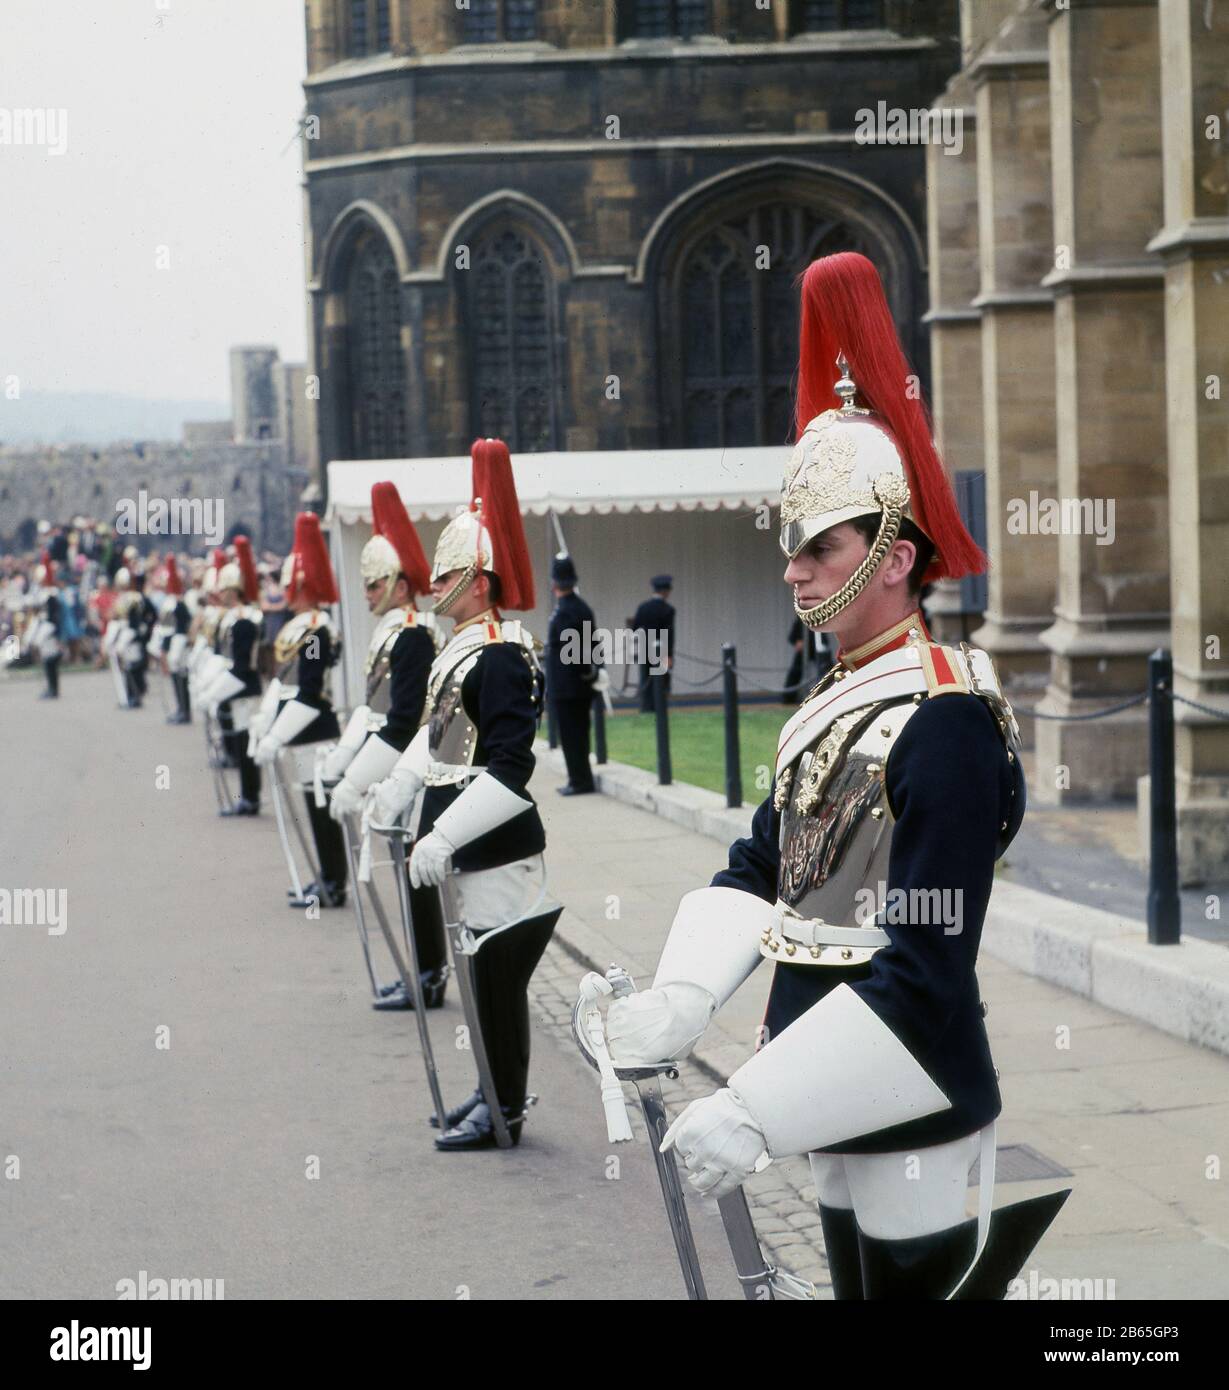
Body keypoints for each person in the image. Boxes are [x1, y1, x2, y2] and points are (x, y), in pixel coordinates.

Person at [595, 251, 1066, 1300]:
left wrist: (757, 1105)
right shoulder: (830, 697)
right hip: (823, 1084)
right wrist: (679, 999)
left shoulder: (942, 714)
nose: (792, 565)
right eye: (789, 543)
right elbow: (764, 864)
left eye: (818, 543)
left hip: (903, 1087)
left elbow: (922, 966)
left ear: (893, 554)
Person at [371, 438, 562, 1151]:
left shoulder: (503, 654)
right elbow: (439, 738)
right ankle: (487, 1089)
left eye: (449, 571)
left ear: (478, 580)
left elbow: (512, 766)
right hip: (459, 843)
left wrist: (447, 835)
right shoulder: (461, 650)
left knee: (494, 981)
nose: (434, 580)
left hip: (494, 845)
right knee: (478, 977)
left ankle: (503, 1106)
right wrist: (395, 794)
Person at [324, 481, 448, 1007]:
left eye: (376, 585)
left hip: (415, 768)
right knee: (404, 874)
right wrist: (344, 760)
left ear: (400, 586)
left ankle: (429, 974)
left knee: (415, 877)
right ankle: (422, 970)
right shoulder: (392, 634)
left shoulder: (414, 635)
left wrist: (358, 780)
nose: (368, 593)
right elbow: (372, 710)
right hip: (393, 768)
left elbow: (401, 723)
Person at [252, 514, 348, 906]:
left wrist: (276, 734)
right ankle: (324, 878)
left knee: (322, 814)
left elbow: (309, 690)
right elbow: (285, 680)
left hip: (317, 732)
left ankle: (332, 883)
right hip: (301, 732)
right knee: (313, 810)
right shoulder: (301, 628)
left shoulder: (316, 632)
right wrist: (266, 716)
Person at [198, 537, 264, 817]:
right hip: (236, 689)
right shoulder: (234, 618)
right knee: (239, 743)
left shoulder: (244, 620)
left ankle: (251, 798)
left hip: (244, 689)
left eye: (225, 589)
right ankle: (247, 796)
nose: (221, 593)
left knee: (247, 747)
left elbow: (241, 666)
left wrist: (215, 693)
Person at [545, 554, 598, 796]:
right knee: (578, 735)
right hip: (577, 685)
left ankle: (579, 780)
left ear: (554, 583)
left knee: (572, 736)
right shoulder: (580, 607)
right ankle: (580, 777)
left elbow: (573, 651)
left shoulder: (566, 611)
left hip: (568, 686)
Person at [632, 575, 674, 713]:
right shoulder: (668, 610)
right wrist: (669, 655)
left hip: (645, 648)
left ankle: (646, 708)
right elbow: (669, 634)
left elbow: (635, 628)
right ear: (665, 591)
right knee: (661, 681)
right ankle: (659, 708)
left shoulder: (643, 607)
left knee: (646, 680)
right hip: (661, 650)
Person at [160, 555, 193, 724]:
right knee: (175, 674)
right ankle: (180, 708)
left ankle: (185, 710)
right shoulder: (169, 601)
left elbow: (186, 623)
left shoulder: (181, 602)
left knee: (181, 674)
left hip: (180, 641)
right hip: (172, 640)